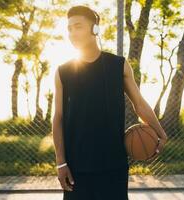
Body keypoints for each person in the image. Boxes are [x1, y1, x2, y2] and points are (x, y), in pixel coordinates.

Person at [52, 5, 168, 200]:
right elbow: (58, 118)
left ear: (94, 29)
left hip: (113, 165)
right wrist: (61, 162)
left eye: (78, 26)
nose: (72, 33)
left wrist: (161, 133)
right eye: (69, 28)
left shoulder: (118, 65)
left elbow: (139, 103)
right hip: (76, 167)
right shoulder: (62, 72)